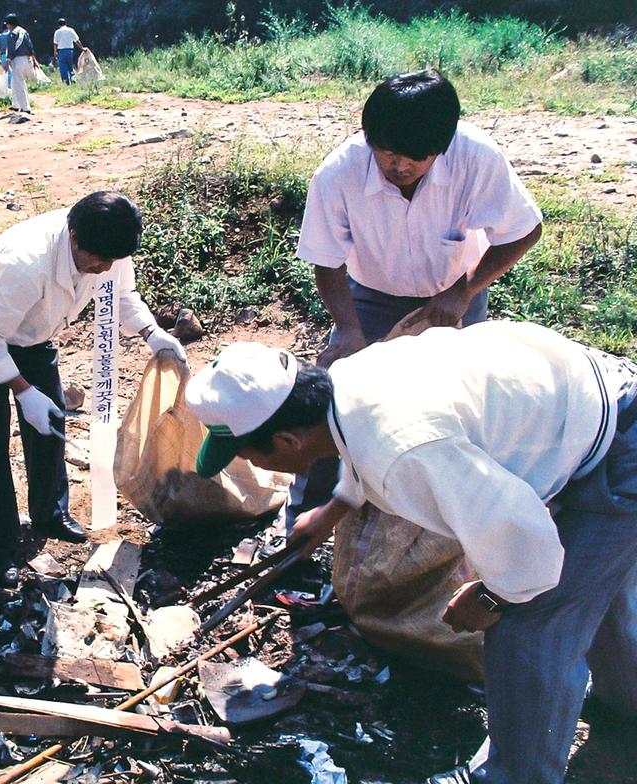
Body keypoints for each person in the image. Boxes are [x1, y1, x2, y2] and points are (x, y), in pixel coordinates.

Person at [186, 321, 637, 784]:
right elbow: (365, 441)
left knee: (529, 625)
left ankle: (512, 775)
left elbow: (525, 540)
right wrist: (334, 508)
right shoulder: (347, 382)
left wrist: (492, 597)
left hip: (617, 452)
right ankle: (624, 702)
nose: (256, 464)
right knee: (602, 589)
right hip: (597, 408)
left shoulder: (405, 450)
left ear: (286, 441)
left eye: (250, 456)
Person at [281, 69, 544, 530]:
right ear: (370, 138)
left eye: (414, 158)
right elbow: (326, 260)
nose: (398, 165)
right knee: (336, 401)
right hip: (369, 296)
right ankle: (301, 521)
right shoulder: (338, 173)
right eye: (387, 152)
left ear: (441, 148)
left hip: (454, 296)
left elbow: (524, 231)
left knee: (458, 407)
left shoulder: (476, 158)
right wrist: (349, 329)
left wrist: (463, 291)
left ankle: (441, 526)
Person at [0, 192, 186, 587]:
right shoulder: (26, 262)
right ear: (74, 238)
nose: (105, 269)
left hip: (35, 332)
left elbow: (123, 294)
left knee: (51, 421)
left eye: (112, 261)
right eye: (99, 261)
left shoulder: (106, 243)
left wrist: (152, 333)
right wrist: (23, 391)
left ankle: (50, 514)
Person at [2, 13, 36, 114]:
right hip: (27, 59)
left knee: (19, 84)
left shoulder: (11, 34)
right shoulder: (24, 32)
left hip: (17, 60)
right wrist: (34, 59)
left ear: (9, 24)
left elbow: (11, 51)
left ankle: (25, 108)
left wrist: (7, 64)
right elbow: (30, 46)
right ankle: (15, 105)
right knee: (15, 82)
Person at [52, 18, 80, 85]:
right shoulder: (71, 30)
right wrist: (82, 48)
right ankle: (73, 77)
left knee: (63, 67)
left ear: (59, 25)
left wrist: (55, 52)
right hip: (70, 50)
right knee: (70, 65)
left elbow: (55, 43)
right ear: (66, 23)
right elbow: (77, 40)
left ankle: (65, 81)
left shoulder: (57, 32)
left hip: (61, 51)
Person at [0, 23, 12, 88]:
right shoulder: (11, 34)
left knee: (5, 71)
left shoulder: (0, 36)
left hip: (3, 55)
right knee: (12, 71)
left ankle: (7, 86)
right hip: (12, 55)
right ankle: (12, 85)